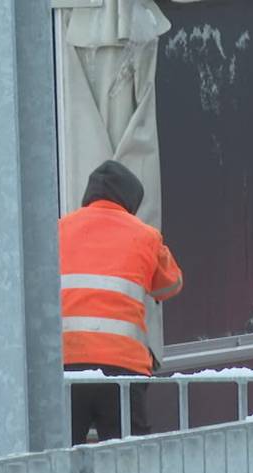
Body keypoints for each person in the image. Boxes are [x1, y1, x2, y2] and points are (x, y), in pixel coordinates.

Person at [60, 160, 184, 444]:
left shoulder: (58, 229)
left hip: (66, 367)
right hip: (122, 370)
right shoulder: (145, 235)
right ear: (131, 200)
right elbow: (170, 285)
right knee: (128, 466)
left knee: (61, 459)